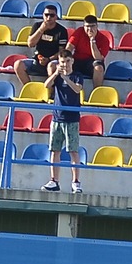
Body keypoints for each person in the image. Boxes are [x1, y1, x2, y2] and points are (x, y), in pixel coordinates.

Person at [42, 48, 86, 194]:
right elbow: (46, 85)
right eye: (62, 62)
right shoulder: (57, 77)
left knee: (73, 151)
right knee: (55, 150)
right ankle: (54, 180)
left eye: (67, 61)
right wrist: (56, 74)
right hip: (57, 118)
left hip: (72, 119)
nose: (65, 64)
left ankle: (76, 182)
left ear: (72, 61)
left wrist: (67, 78)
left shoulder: (77, 76)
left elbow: (77, 89)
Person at [13, 3, 68, 88]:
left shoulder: (61, 30)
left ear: (56, 17)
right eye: (46, 15)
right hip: (38, 59)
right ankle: (29, 89)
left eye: (52, 15)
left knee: (52, 66)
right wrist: (41, 30)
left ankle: (50, 92)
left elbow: (62, 52)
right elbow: (30, 44)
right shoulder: (37, 26)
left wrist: (49, 59)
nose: (48, 18)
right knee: (18, 64)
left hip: (53, 60)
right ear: (43, 15)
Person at [67, 11, 112, 89]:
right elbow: (69, 47)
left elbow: (98, 58)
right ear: (83, 26)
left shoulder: (104, 39)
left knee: (99, 67)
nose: (89, 29)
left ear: (97, 26)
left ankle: (97, 93)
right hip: (77, 60)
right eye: (87, 26)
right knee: (64, 62)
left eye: (92, 26)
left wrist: (92, 40)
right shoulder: (79, 31)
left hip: (91, 62)